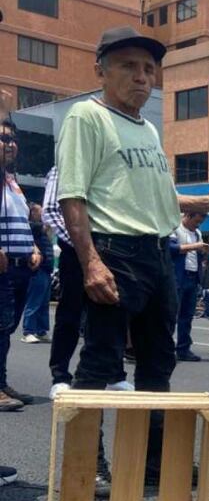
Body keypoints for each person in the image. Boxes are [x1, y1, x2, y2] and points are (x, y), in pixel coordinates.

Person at [56, 26, 209, 498]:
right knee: (101, 361)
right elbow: (73, 194)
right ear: (101, 69)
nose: (142, 77)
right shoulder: (85, 117)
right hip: (115, 251)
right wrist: (90, 261)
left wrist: (207, 203)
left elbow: (154, 195)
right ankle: (86, 465)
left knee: (158, 364)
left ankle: (155, 462)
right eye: (128, 66)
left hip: (160, 252)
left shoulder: (149, 129)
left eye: (149, 69)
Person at [41, 166, 133, 399]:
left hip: (111, 251)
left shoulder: (107, 168)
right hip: (76, 252)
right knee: (70, 314)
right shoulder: (64, 168)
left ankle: (114, 374)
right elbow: (51, 212)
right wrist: (84, 246)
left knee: (112, 313)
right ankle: (60, 376)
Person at [0, 117, 43, 411]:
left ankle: (1, 382)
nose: (10, 144)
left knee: (6, 329)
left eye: (13, 138)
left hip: (20, 267)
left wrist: (35, 246)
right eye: (3, 138)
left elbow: (24, 221)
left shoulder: (12, 182)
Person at [170, 211, 209, 362]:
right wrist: (194, 246)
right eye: (196, 221)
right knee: (172, 314)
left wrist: (202, 251)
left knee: (187, 316)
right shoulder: (175, 229)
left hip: (193, 277)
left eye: (200, 222)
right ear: (187, 216)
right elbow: (172, 248)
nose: (197, 225)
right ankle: (166, 348)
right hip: (178, 276)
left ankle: (183, 349)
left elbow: (197, 255)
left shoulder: (198, 233)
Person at [21, 203, 53, 344]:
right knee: (34, 301)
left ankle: (41, 330)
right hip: (38, 269)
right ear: (33, 213)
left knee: (44, 302)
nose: (43, 214)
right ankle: (28, 331)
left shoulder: (40, 228)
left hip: (46, 269)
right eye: (40, 211)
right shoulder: (32, 226)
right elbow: (45, 226)